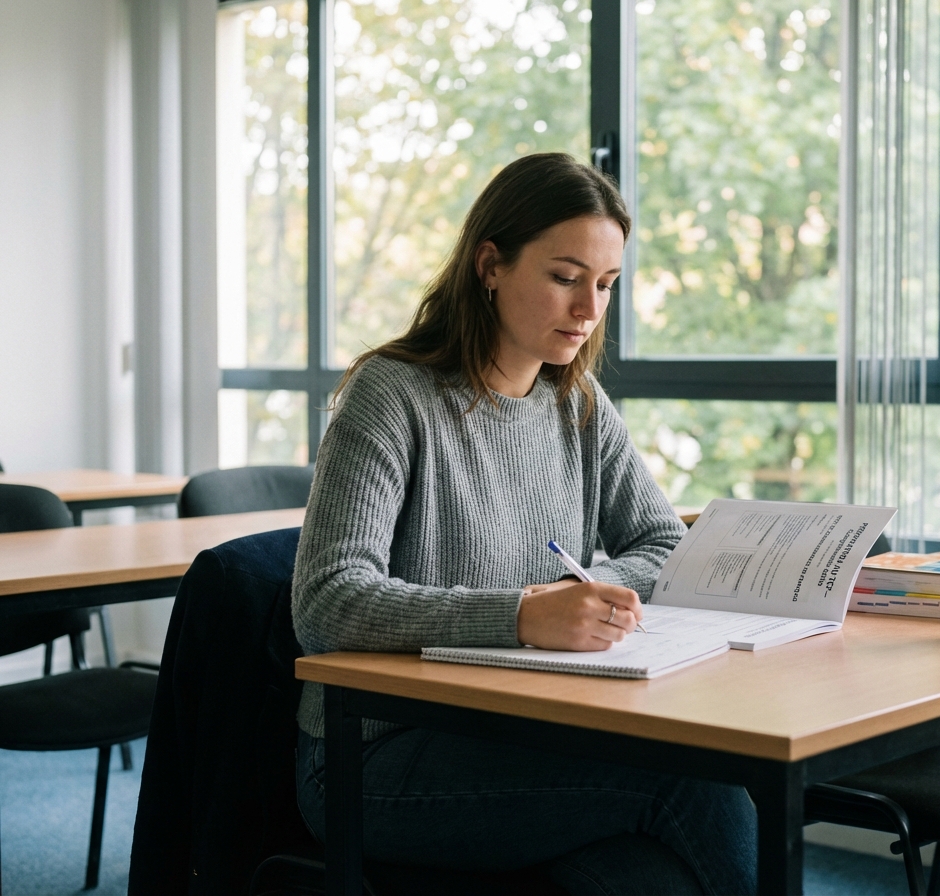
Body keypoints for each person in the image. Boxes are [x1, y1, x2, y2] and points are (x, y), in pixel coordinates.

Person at [291, 152, 757, 894]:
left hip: (525, 725)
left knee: (646, 877)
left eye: (606, 285)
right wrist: (522, 615)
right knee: (693, 786)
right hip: (377, 752)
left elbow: (664, 542)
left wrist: (586, 591)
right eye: (566, 277)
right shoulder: (391, 395)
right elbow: (326, 604)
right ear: (490, 266)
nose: (589, 310)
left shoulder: (578, 403)